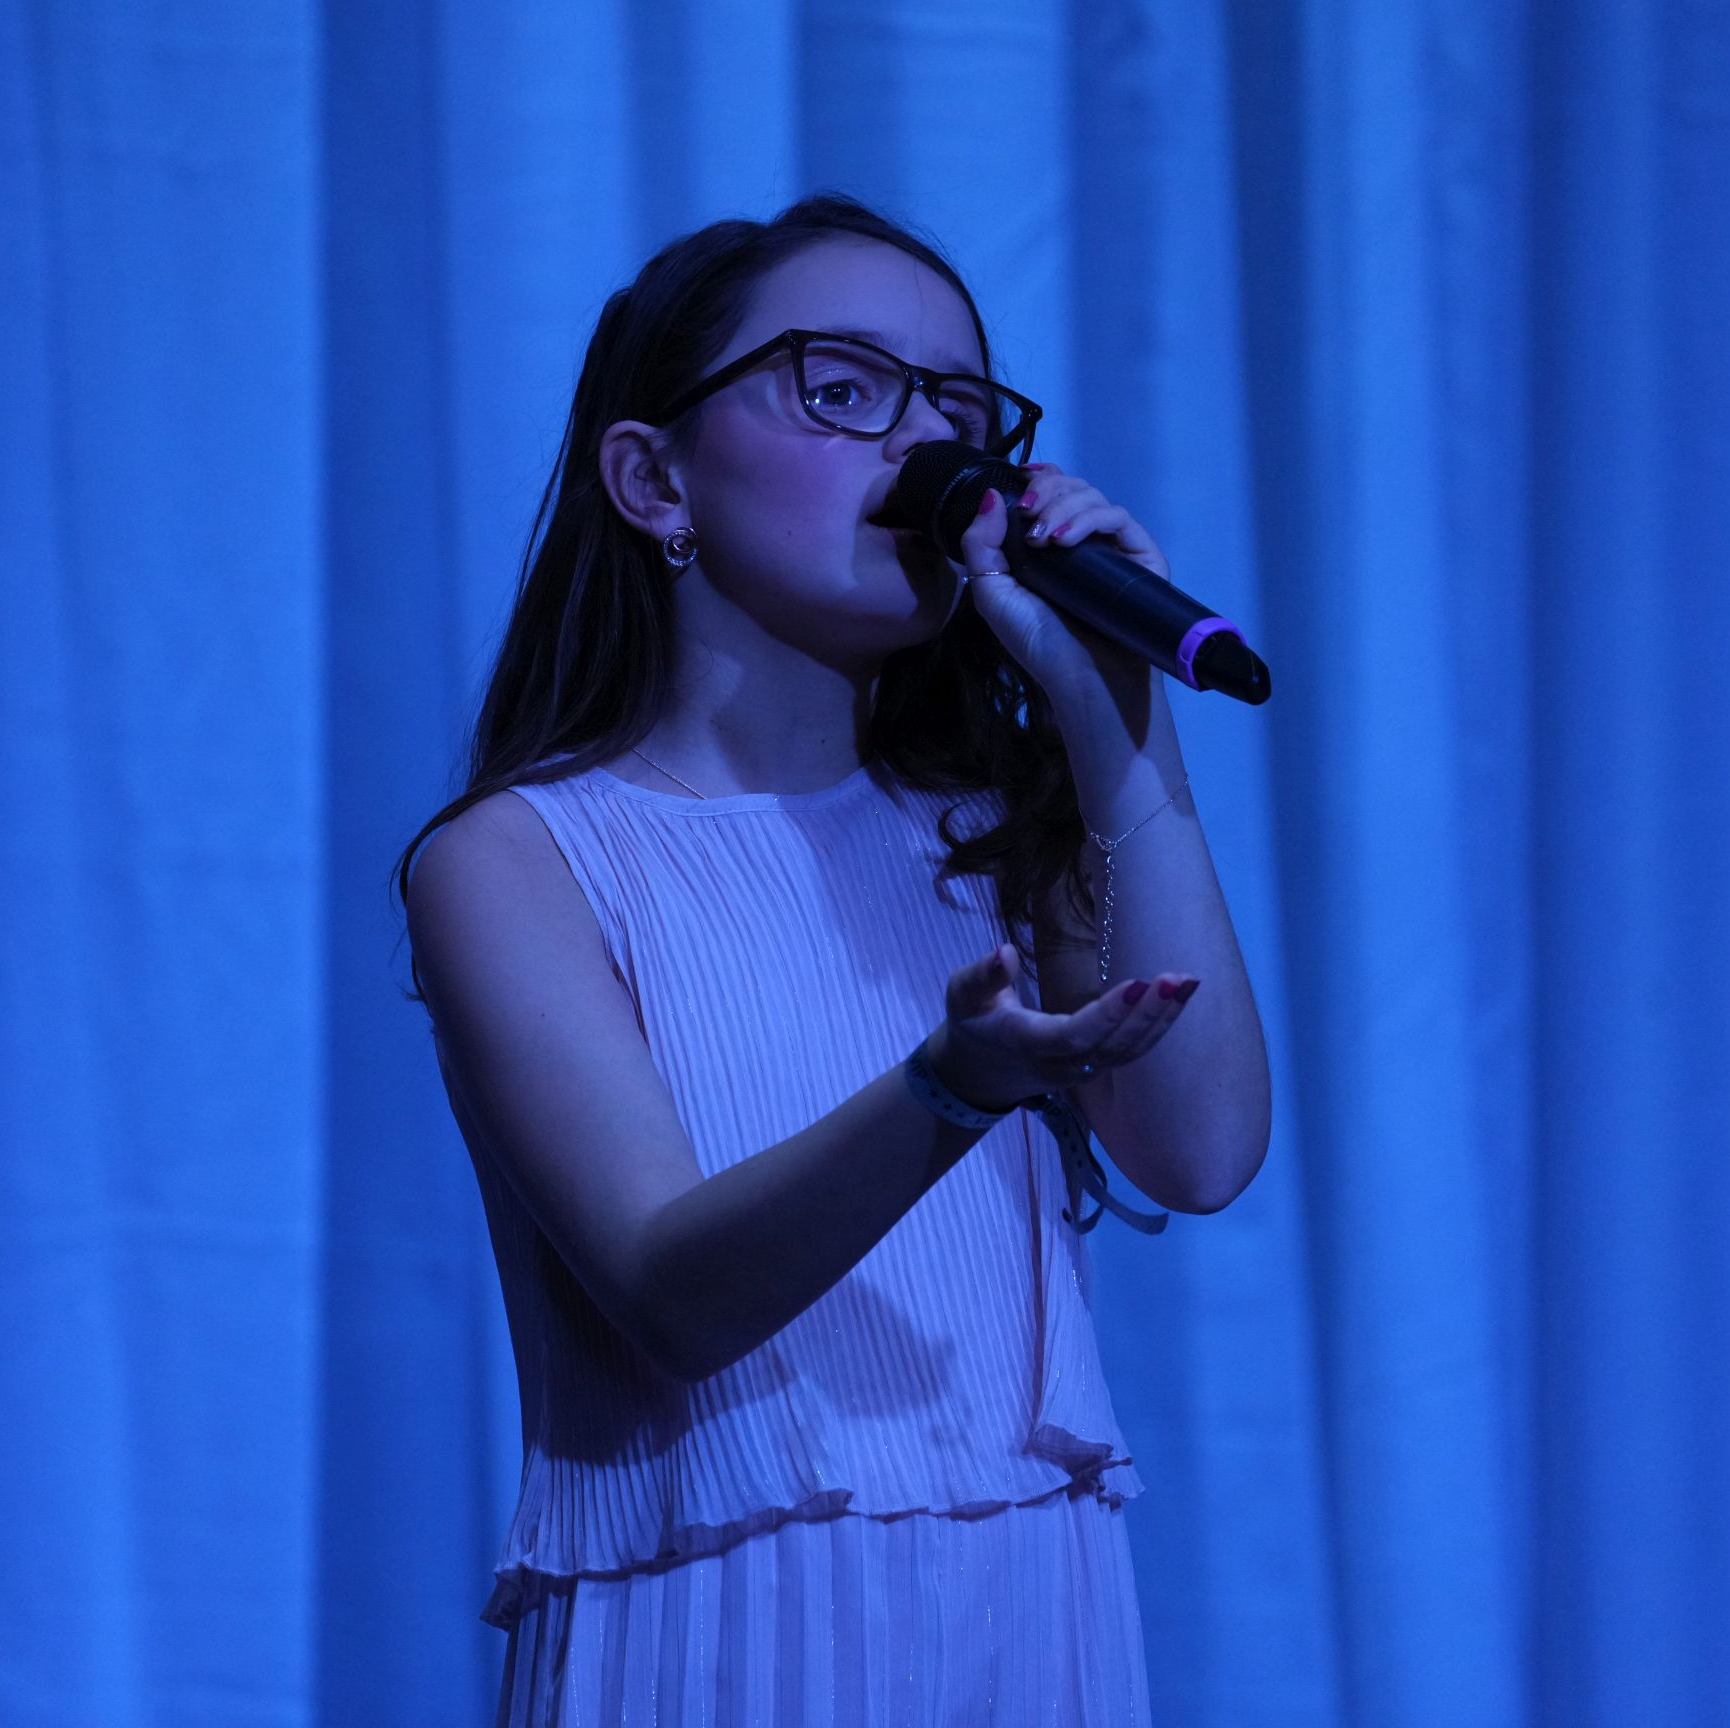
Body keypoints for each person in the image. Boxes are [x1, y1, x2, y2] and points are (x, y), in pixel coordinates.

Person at [396, 193, 1270, 1725]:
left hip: (1029, 1628)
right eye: (846, 389)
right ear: (653, 477)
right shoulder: (519, 860)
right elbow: (672, 1293)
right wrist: (947, 1090)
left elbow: (1201, 1151)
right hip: (712, 1643)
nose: (926, 445)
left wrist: (1115, 720)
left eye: (959, 409)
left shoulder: (991, 833)